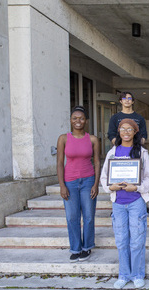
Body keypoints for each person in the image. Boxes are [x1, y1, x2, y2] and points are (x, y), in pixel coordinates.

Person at [101, 119, 149, 289]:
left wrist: (137, 187)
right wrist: (111, 187)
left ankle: (137, 274)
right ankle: (123, 274)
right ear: (119, 131)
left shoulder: (142, 153)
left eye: (129, 129)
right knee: (122, 240)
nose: (125, 132)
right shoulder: (112, 153)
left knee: (137, 240)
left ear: (135, 132)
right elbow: (104, 177)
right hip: (118, 203)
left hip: (136, 202)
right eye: (122, 129)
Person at [56, 106, 100, 262]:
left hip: (88, 180)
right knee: (72, 217)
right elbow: (60, 163)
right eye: (75, 118)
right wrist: (62, 185)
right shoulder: (63, 138)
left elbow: (96, 162)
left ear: (86, 121)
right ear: (70, 120)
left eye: (81, 118)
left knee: (88, 216)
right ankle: (75, 248)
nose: (78, 121)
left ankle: (87, 247)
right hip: (70, 182)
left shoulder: (93, 139)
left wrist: (96, 184)